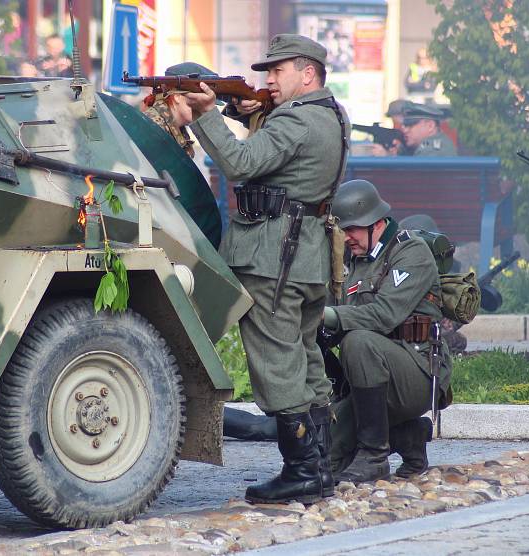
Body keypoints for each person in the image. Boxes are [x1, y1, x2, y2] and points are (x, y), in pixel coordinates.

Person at [183, 34, 350, 505]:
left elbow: (239, 163)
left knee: (278, 365)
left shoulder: (296, 122)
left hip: (272, 259)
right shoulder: (331, 116)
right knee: (306, 361)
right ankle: (319, 470)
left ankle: (301, 472)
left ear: (308, 73)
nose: (269, 80)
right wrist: (239, 108)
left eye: (278, 71)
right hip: (305, 260)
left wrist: (205, 113)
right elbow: (279, 153)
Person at [323, 180, 452, 483]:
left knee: (358, 341)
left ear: (376, 223)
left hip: (418, 369)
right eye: (342, 230)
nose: (347, 237)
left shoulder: (411, 253)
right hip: (372, 375)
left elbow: (383, 315)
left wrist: (326, 316)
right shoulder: (351, 262)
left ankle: (374, 455)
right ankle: (408, 436)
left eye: (352, 228)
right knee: (325, 461)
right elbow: (335, 313)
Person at [398, 214, 467, 354]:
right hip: (408, 333)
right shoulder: (402, 270)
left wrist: (450, 322)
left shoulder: (442, 268)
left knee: (458, 340)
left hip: (430, 329)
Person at [140, 62, 207, 157]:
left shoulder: (175, 127)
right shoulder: (153, 127)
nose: (206, 107)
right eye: (199, 99)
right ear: (177, 96)